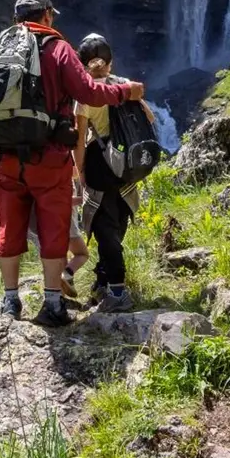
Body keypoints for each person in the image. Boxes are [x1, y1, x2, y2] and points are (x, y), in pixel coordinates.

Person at [0, 0, 145, 326]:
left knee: (8, 227)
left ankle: (11, 301)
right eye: (51, 15)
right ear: (46, 15)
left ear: (17, 18)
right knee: (54, 227)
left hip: (5, 157)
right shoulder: (57, 48)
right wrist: (124, 91)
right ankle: (53, 304)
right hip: (47, 156)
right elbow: (88, 91)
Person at [73, 33, 151, 313]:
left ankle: (117, 291)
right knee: (118, 224)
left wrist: (78, 175)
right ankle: (103, 283)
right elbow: (150, 119)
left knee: (103, 228)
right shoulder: (125, 85)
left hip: (101, 166)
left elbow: (79, 141)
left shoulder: (85, 97)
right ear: (110, 61)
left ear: (81, 65)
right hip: (128, 165)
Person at [27, 201, 89, 299]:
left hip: (36, 220)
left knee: (55, 259)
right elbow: (70, 199)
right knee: (82, 254)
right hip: (63, 217)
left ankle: (58, 298)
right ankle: (66, 274)